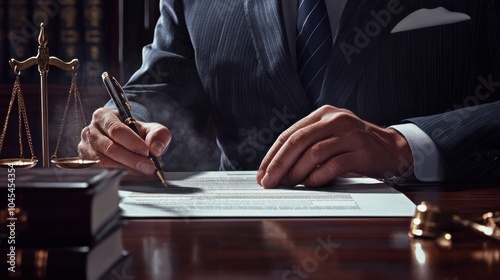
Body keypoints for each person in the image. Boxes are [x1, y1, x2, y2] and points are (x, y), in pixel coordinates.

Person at [79, 0, 500, 188]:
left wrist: (405, 144)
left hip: (436, 240)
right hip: (241, 248)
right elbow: (158, 88)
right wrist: (121, 124)